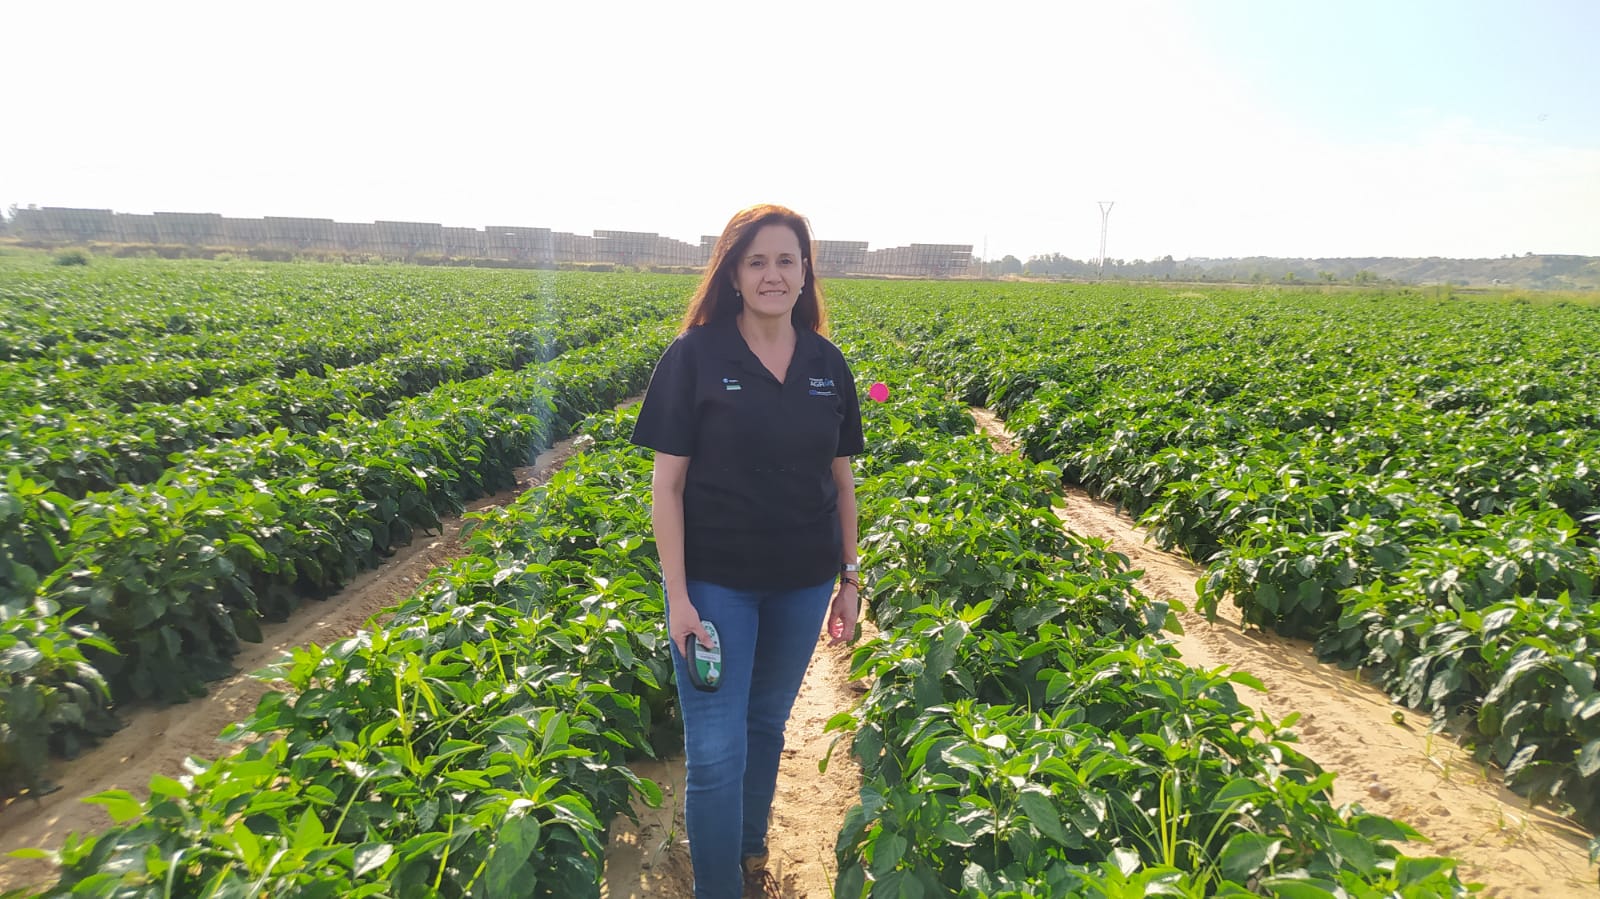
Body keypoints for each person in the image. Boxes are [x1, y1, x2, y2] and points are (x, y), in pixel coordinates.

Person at [630, 203, 864, 898]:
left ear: (804, 274)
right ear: (733, 273)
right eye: (756, 260)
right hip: (715, 585)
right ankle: (716, 888)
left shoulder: (827, 363)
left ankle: (749, 850)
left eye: (786, 260)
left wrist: (849, 578)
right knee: (714, 750)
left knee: (765, 725)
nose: (772, 274)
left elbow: (842, 480)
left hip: (801, 583)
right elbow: (666, 486)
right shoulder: (695, 356)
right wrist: (678, 596)